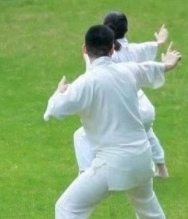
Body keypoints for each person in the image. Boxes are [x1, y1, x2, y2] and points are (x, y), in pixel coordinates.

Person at [38, 24, 182, 219]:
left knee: (68, 207)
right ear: (114, 48)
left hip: (114, 161)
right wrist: (168, 65)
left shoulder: (86, 82)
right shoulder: (126, 70)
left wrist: (59, 91)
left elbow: (55, 110)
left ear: (84, 49)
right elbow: (151, 69)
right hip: (141, 156)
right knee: (147, 205)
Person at [72, 12, 171, 177]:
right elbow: (150, 48)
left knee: (82, 135)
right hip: (144, 109)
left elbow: (90, 67)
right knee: (147, 132)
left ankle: (86, 175)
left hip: (124, 110)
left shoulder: (103, 58)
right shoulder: (134, 49)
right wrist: (160, 41)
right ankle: (162, 170)